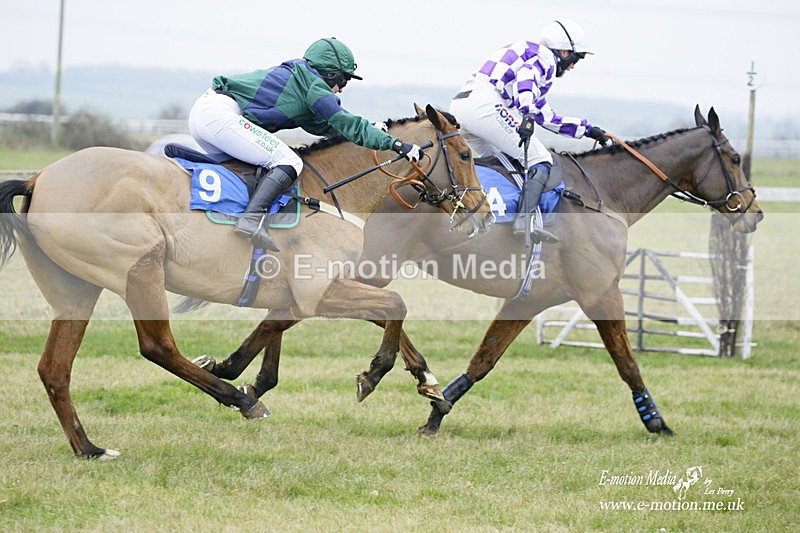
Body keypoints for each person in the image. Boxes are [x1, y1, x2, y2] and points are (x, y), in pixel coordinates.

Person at [189, 37, 424, 252]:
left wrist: (372, 129)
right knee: (289, 160)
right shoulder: (312, 85)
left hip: (209, 115)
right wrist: (396, 144)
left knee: (258, 168)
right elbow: (342, 120)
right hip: (220, 116)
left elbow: (326, 126)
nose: (341, 88)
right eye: (343, 80)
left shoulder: (302, 80)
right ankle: (251, 220)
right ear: (329, 74)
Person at [449, 19, 610, 244]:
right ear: (564, 51)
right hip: (485, 106)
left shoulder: (529, 51)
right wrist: (526, 114)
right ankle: (524, 221)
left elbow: (545, 115)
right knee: (541, 160)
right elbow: (527, 83)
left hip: (462, 108)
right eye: (576, 58)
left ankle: (491, 212)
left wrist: (586, 130)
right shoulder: (544, 58)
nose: (573, 66)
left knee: (503, 162)